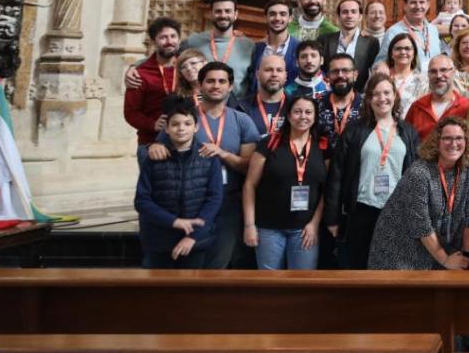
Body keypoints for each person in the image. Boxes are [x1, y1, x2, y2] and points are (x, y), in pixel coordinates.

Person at [145, 61, 259, 268]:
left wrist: (223, 154)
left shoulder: (242, 120)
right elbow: (160, 147)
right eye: (210, 81)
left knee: (218, 264)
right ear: (200, 84)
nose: (216, 86)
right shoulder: (185, 119)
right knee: (184, 264)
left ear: (230, 87)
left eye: (222, 81)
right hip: (190, 204)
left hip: (229, 203)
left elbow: (250, 167)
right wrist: (153, 147)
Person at [324, 74, 421, 269]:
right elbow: (337, 176)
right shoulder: (354, 130)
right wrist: (332, 218)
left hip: (397, 211)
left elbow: (415, 176)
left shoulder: (408, 132)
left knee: (392, 267)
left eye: (386, 92)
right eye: (375, 94)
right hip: (362, 210)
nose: (381, 98)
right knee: (361, 266)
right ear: (368, 98)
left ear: (395, 96)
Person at [369, 116, 469, 270]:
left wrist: (468, 255)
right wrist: (446, 260)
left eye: (459, 138)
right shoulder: (419, 173)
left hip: (442, 249)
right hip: (400, 249)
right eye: (447, 138)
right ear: (437, 142)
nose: (454, 144)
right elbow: (421, 227)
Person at [135, 98, 223, 268]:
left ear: (195, 127)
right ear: (166, 128)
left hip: (195, 241)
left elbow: (214, 199)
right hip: (159, 240)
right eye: (175, 124)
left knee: (191, 292)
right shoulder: (153, 158)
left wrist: (192, 236)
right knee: (156, 291)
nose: (181, 128)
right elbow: (142, 201)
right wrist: (174, 221)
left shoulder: (208, 159)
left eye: (187, 123)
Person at [242, 95, 327, 269]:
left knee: (302, 285)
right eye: (297, 111)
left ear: (315, 116)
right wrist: (249, 225)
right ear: (288, 116)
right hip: (269, 228)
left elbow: (327, 190)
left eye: (308, 112)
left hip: (305, 229)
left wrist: (314, 224)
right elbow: (250, 185)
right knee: (270, 287)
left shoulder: (322, 146)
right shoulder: (271, 142)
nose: (303, 116)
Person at [181, 0, 255, 102]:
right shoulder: (193, 41)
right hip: (201, 106)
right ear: (211, 14)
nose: (223, 15)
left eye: (227, 11)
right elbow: (176, 69)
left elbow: (253, 81)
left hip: (236, 108)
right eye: (218, 11)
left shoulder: (248, 45)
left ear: (235, 14)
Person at [123, 17, 182, 146]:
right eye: (163, 37)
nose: (169, 41)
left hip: (185, 142)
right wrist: (152, 125)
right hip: (151, 142)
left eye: (173, 36)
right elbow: (131, 112)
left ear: (179, 39)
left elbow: (201, 96)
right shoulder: (140, 74)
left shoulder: (187, 68)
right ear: (154, 42)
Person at [320, 0, 380, 91]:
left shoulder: (371, 42)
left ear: (360, 17)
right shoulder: (325, 40)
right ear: (338, 16)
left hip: (358, 96)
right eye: (345, 12)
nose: (349, 16)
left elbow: (374, 71)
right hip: (329, 93)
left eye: (353, 12)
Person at [382, 0, 447, 71]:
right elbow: (381, 63)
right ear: (405, 6)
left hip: (434, 82)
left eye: (422, 2)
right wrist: (381, 66)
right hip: (408, 83)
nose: (418, 6)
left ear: (428, 5)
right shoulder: (393, 32)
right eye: (413, 2)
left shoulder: (433, 30)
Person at [406, 54, 469, 141]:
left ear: (453, 72)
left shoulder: (466, 107)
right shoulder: (417, 108)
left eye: (443, 70)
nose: (438, 75)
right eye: (433, 71)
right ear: (428, 75)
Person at [316, 53, 363, 156]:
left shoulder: (367, 106)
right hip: (324, 167)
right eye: (335, 71)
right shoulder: (316, 105)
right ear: (328, 76)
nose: (340, 75)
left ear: (355, 74)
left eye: (345, 71)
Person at [249, 0, 299, 93]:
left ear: (290, 18)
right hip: (256, 104)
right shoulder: (256, 48)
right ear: (266, 18)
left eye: (282, 14)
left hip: (288, 104)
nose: (277, 18)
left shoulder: (300, 49)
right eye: (272, 14)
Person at [384, 31, 428, 120]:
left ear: (414, 53)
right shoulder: (381, 77)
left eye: (407, 49)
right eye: (398, 48)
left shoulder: (423, 81)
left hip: (411, 128)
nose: (403, 52)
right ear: (391, 53)